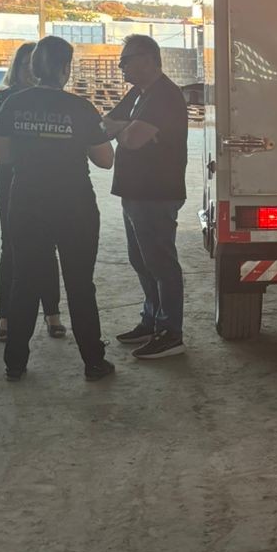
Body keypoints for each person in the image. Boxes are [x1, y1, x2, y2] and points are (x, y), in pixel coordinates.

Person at [0, 36, 115, 383]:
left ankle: (15, 362)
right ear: (65, 68)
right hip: (74, 205)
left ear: (32, 67)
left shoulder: (13, 104)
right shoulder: (80, 107)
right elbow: (105, 160)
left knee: (25, 280)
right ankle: (93, 362)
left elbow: (1, 155)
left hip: (27, 201)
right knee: (79, 283)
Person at [102, 34, 189, 361]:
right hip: (134, 191)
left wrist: (123, 129)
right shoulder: (139, 94)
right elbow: (106, 125)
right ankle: (152, 319)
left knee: (160, 261)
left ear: (150, 60)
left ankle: (171, 332)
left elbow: (131, 139)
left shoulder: (164, 95)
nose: (121, 65)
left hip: (156, 193)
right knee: (141, 259)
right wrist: (125, 128)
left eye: (127, 59)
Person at [0, 41, 66, 342]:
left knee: (48, 245)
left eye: (37, 65)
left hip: (50, 179)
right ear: (18, 68)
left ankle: (52, 313)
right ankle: (5, 316)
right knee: (12, 245)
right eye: (26, 65)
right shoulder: (4, 99)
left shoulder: (58, 99)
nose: (32, 72)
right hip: (11, 177)